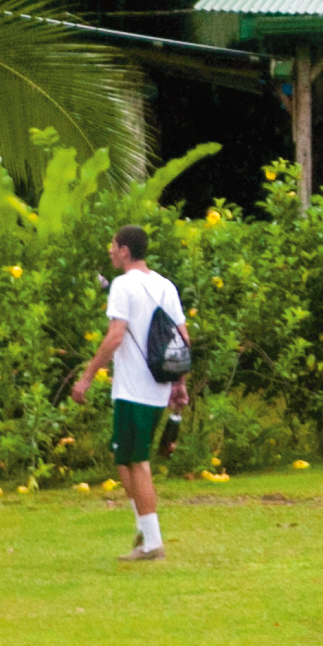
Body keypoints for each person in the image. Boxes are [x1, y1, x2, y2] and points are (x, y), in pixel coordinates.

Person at [65, 225, 187, 562]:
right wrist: (179, 383)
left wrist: (86, 378)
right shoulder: (166, 286)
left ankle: (153, 544)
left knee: (137, 462)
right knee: (123, 458)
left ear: (125, 251)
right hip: (158, 386)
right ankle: (144, 531)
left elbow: (115, 336)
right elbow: (183, 341)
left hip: (134, 387)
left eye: (113, 246)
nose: (110, 251)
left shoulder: (123, 286)